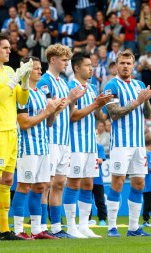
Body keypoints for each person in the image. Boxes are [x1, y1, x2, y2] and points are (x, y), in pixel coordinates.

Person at [0, 33, 32, 241]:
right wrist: (16, 78)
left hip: (12, 131)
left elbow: (22, 99)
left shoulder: (10, 70)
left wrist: (25, 81)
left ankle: (4, 229)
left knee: (8, 179)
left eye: (9, 47)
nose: (9, 51)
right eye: (5, 48)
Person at [103, 49, 151, 237]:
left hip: (139, 144)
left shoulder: (139, 84)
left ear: (134, 65)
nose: (125, 66)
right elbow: (114, 113)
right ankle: (111, 227)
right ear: (116, 65)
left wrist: (146, 101)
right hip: (120, 144)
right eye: (122, 63)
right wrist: (137, 101)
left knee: (139, 183)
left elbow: (148, 115)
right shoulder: (111, 85)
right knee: (117, 182)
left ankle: (133, 228)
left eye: (128, 63)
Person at [37, 44, 86, 238]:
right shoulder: (44, 82)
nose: (67, 63)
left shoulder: (64, 83)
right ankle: (40, 226)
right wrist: (68, 98)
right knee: (45, 185)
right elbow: (47, 112)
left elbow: (70, 112)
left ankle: (56, 226)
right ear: (52, 60)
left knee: (59, 184)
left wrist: (72, 100)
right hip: (49, 139)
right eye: (64, 59)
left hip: (64, 140)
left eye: (67, 59)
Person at [11, 56, 62, 240]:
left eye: (41, 68)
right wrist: (47, 112)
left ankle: (36, 229)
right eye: (36, 68)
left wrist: (54, 111)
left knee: (40, 187)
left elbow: (48, 123)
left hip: (43, 147)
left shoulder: (41, 92)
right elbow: (24, 123)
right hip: (28, 147)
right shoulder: (21, 93)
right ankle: (17, 230)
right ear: (26, 71)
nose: (40, 71)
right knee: (24, 186)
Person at [63, 52, 112, 238]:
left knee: (88, 184)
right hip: (75, 144)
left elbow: (97, 115)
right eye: (87, 65)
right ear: (76, 68)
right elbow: (72, 115)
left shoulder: (91, 88)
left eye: (92, 65)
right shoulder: (71, 87)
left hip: (91, 144)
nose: (91, 68)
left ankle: (84, 225)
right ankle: (71, 226)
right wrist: (95, 105)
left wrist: (101, 105)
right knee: (74, 183)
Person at [92, 143, 107, 226]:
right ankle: (87, 219)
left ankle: (102, 219)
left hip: (98, 179)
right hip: (86, 179)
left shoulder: (99, 146)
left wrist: (89, 159)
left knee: (100, 201)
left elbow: (101, 160)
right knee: (86, 200)